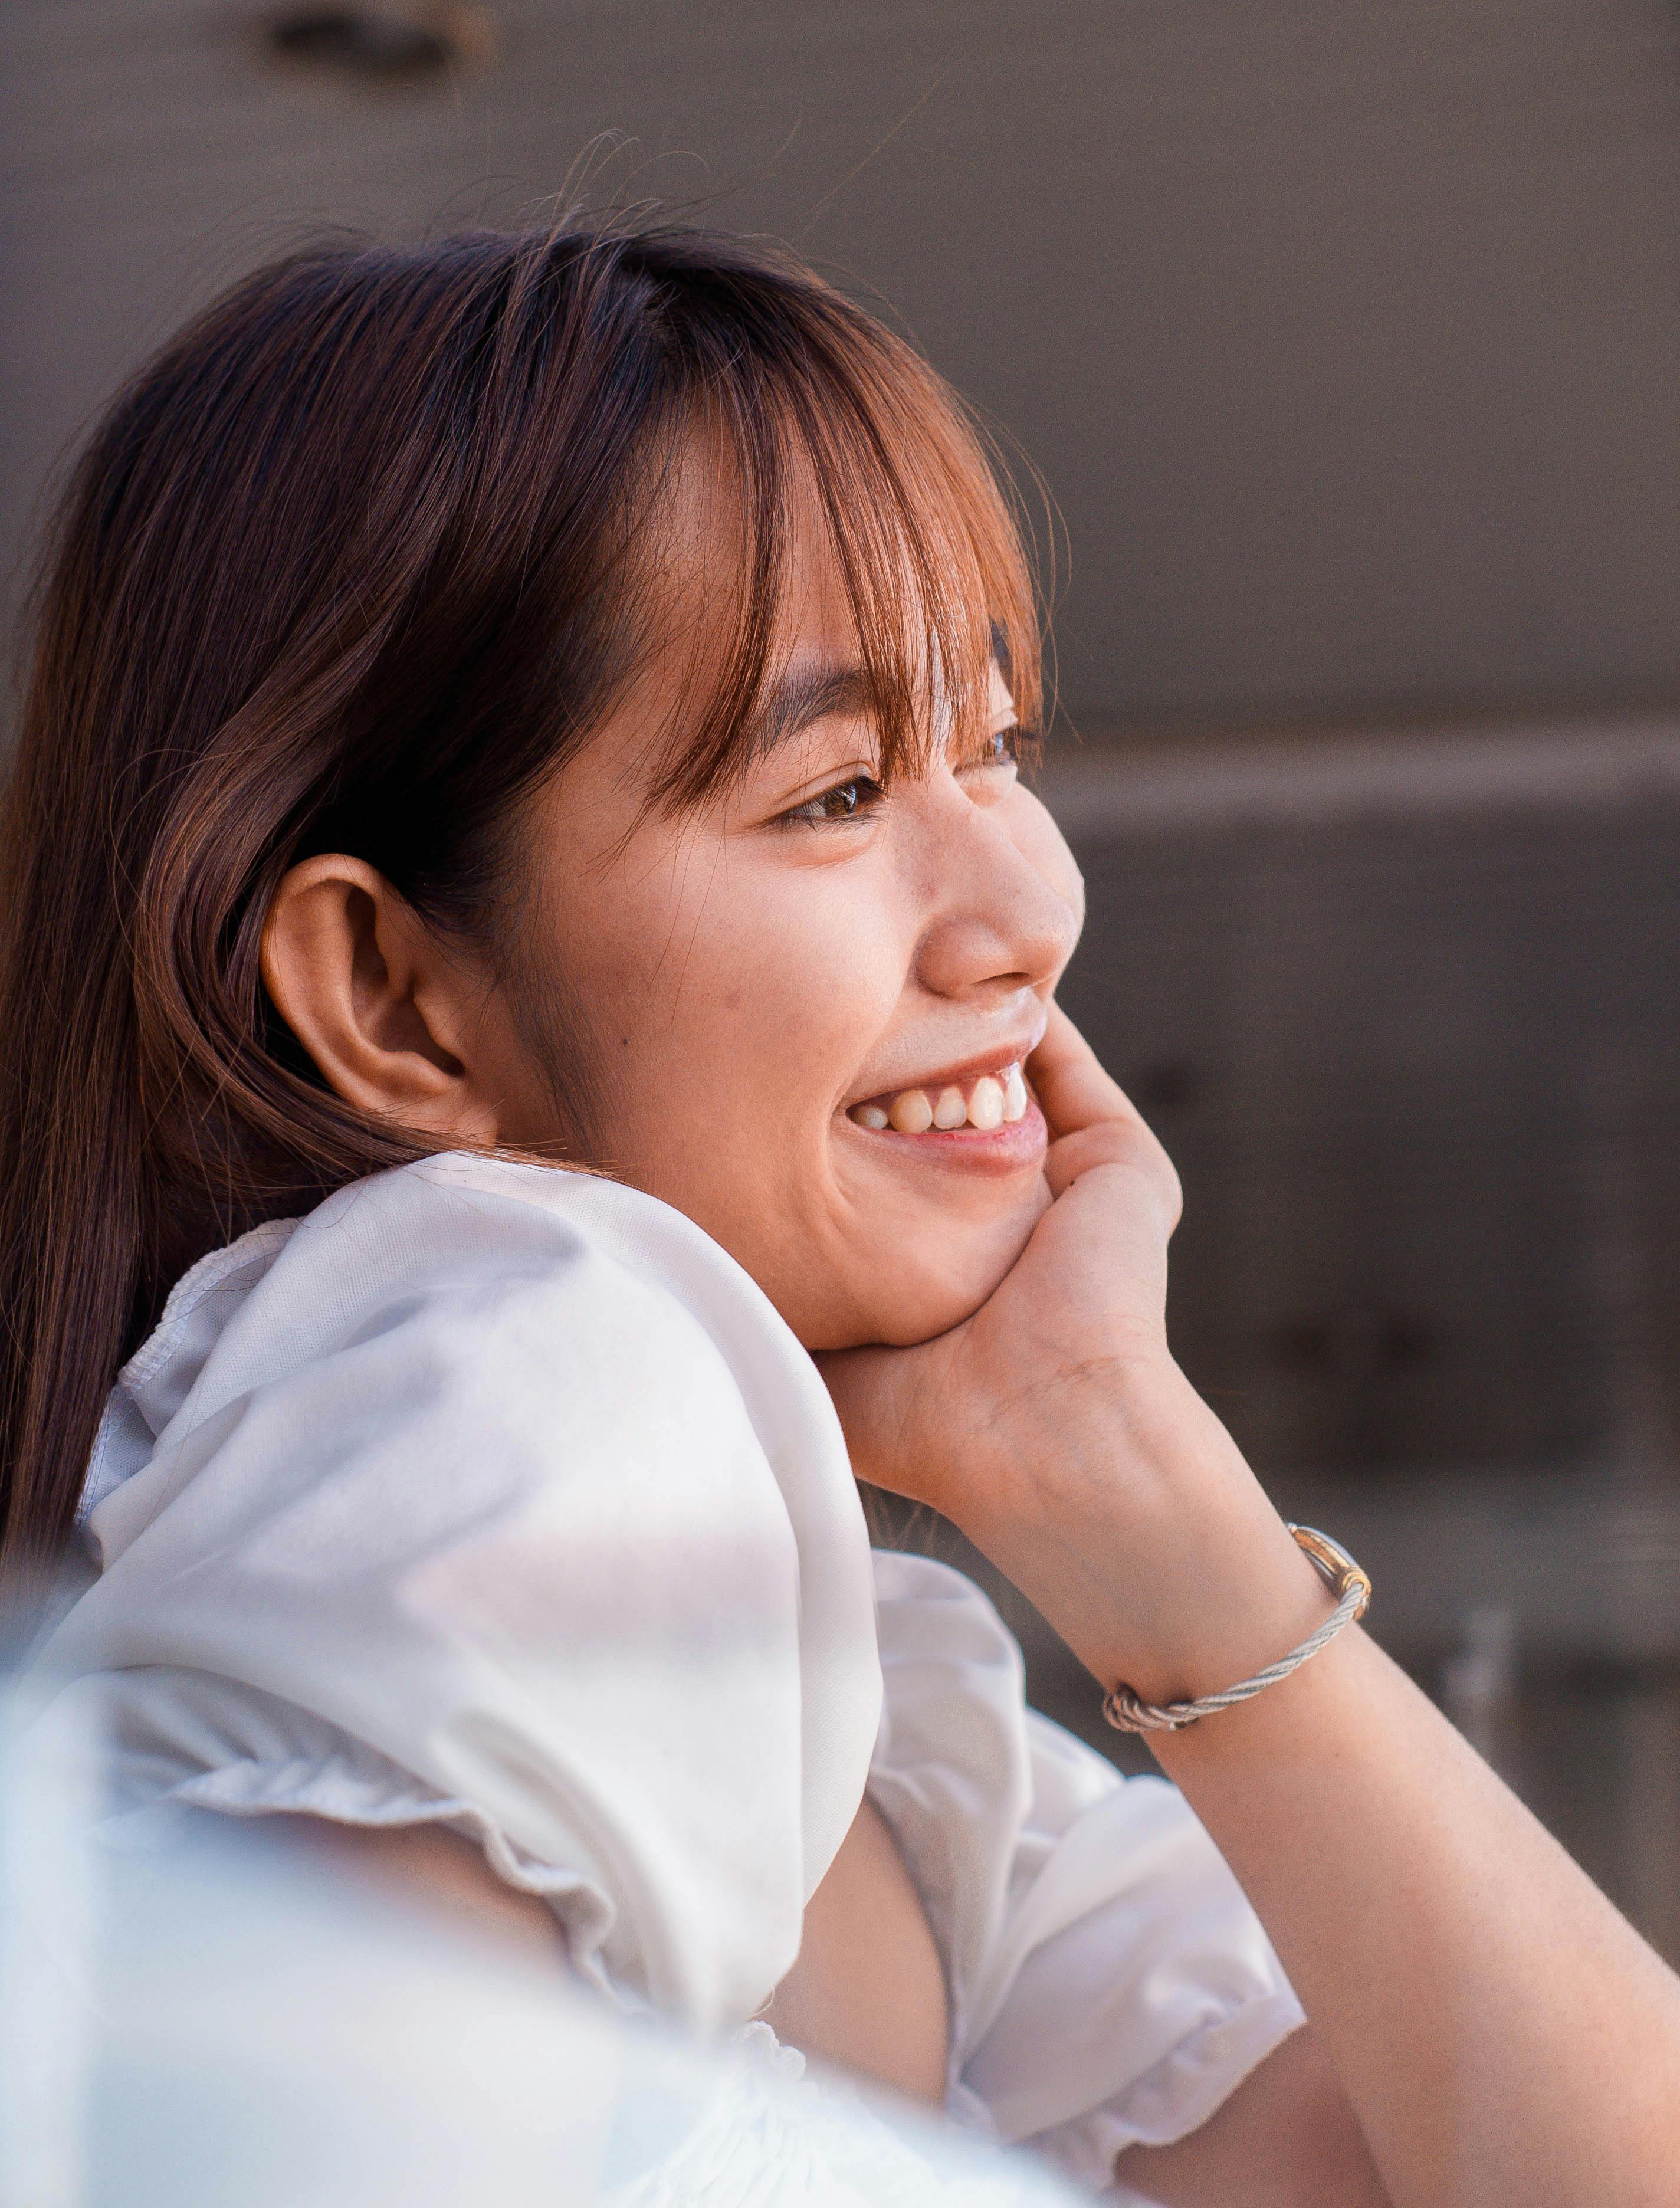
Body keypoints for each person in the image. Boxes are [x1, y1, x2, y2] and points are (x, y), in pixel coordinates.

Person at [2, 226, 1675, 2207]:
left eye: (998, 751)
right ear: (388, 995)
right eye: (835, 792)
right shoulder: (539, 1352)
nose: (1026, 908)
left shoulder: (866, 1725)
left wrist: (1134, 1484)